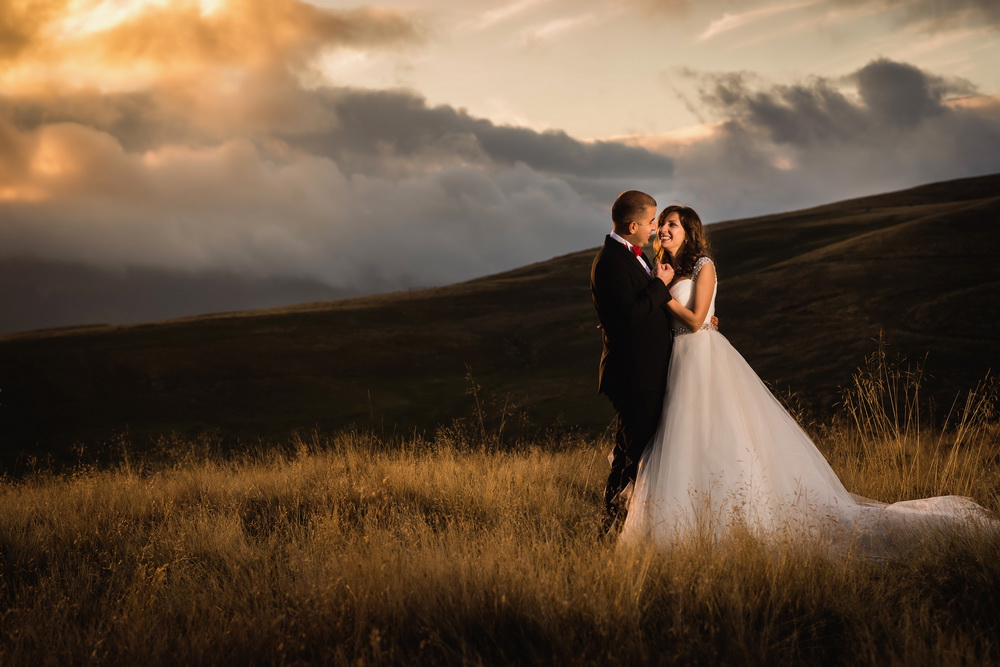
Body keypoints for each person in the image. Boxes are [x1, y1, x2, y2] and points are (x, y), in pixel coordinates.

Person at [619, 204, 993, 557]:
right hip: (676, 361)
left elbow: (699, 319)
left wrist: (662, 292)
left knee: (717, 434)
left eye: (673, 224)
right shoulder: (663, 266)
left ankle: (736, 521)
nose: (664, 229)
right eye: (662, 223)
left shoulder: (704, 265)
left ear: (689, 232)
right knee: (684, 437)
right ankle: (684, 526)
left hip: (701, 358)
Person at [590, 191, 675, 532]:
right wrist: (659, 284)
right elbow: (632, 315)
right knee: (631, 454)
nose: (655, 228)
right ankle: (611, 526)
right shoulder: (611, 261)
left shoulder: (629, 255)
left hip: (644, 371)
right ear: (633, 224)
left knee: (634, 449)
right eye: (652, 221)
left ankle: (628, 524)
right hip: (633, 375)